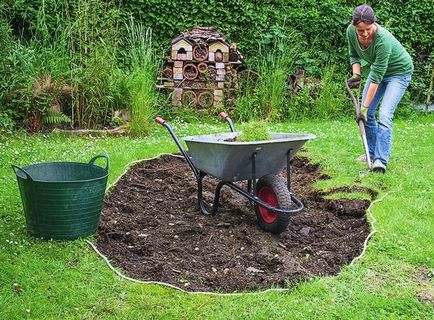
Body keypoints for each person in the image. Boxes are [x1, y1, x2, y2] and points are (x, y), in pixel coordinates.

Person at [346, 4, 413, 173]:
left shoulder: (383, 40)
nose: (365, 33)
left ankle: (380, 161)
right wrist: (356, 75)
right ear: (354, 27)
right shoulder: (350, 32)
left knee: (383, 114)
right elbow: (353, 54)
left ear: (374, 24)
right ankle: (372, 153)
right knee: (366, 115)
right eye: (361, 31)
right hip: (379, 73)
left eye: (368, 29)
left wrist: (365, 108)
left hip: (399, 73)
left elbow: (376, 78)